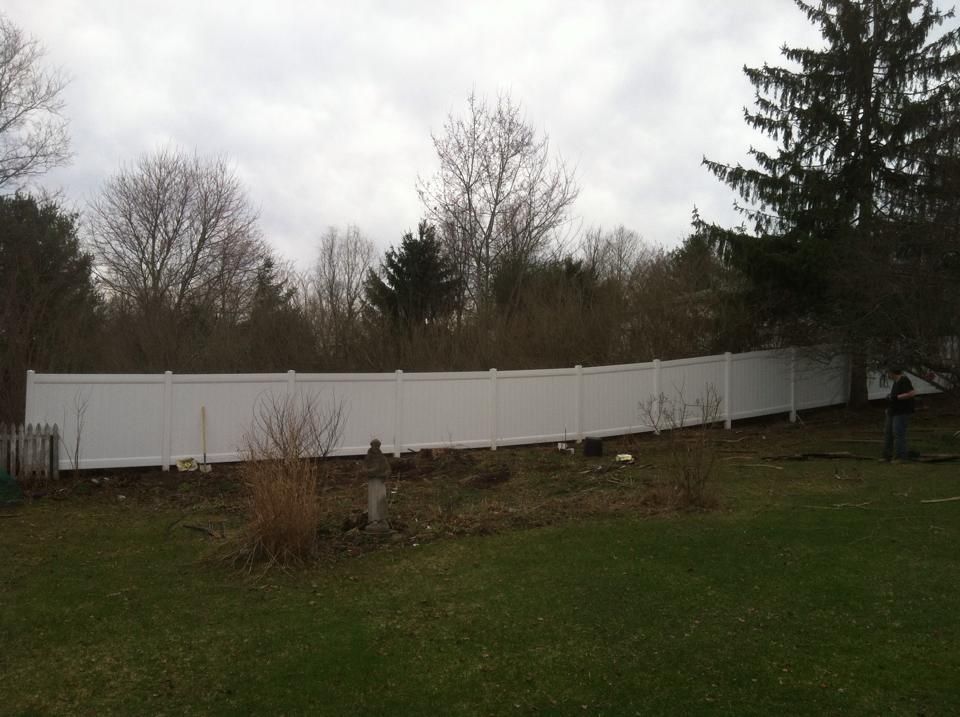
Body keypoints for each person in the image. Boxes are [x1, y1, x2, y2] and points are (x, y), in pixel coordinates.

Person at [882, 367, 917, 462]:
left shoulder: (904, 380)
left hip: (902, 412)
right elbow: (894, 397)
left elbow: (911, 393)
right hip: (893, 411)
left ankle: (901, 456)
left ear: (892, 372)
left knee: (898, 433)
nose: (887, 375)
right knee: (888, 433)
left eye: (888, 373)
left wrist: (896, 397)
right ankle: (887, 455)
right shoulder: (896, 382)